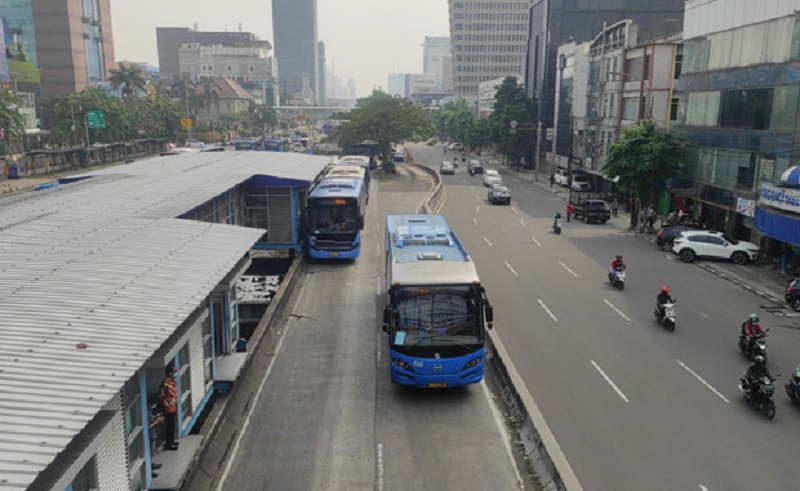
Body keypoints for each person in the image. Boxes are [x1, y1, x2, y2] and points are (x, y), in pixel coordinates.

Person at [159, 364, 179, 451]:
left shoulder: (171, 381)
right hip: (168, 408)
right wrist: (167, 405)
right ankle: (169, 444)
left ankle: (171, 441)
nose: (175, 374)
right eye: (173, 372)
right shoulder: (166, 383)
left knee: (172, 426)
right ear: (170, 373)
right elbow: (162, 396)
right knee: (169, 427)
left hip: (173, 406)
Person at [147, 396, 164, 477]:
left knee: (152, 452)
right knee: (149, 453)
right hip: (150, 436)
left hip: (153, 435)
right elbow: (148, 426)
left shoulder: (150, 412)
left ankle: (152, 464)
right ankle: (150, 472)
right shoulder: (147, 413)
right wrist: (157, 421)